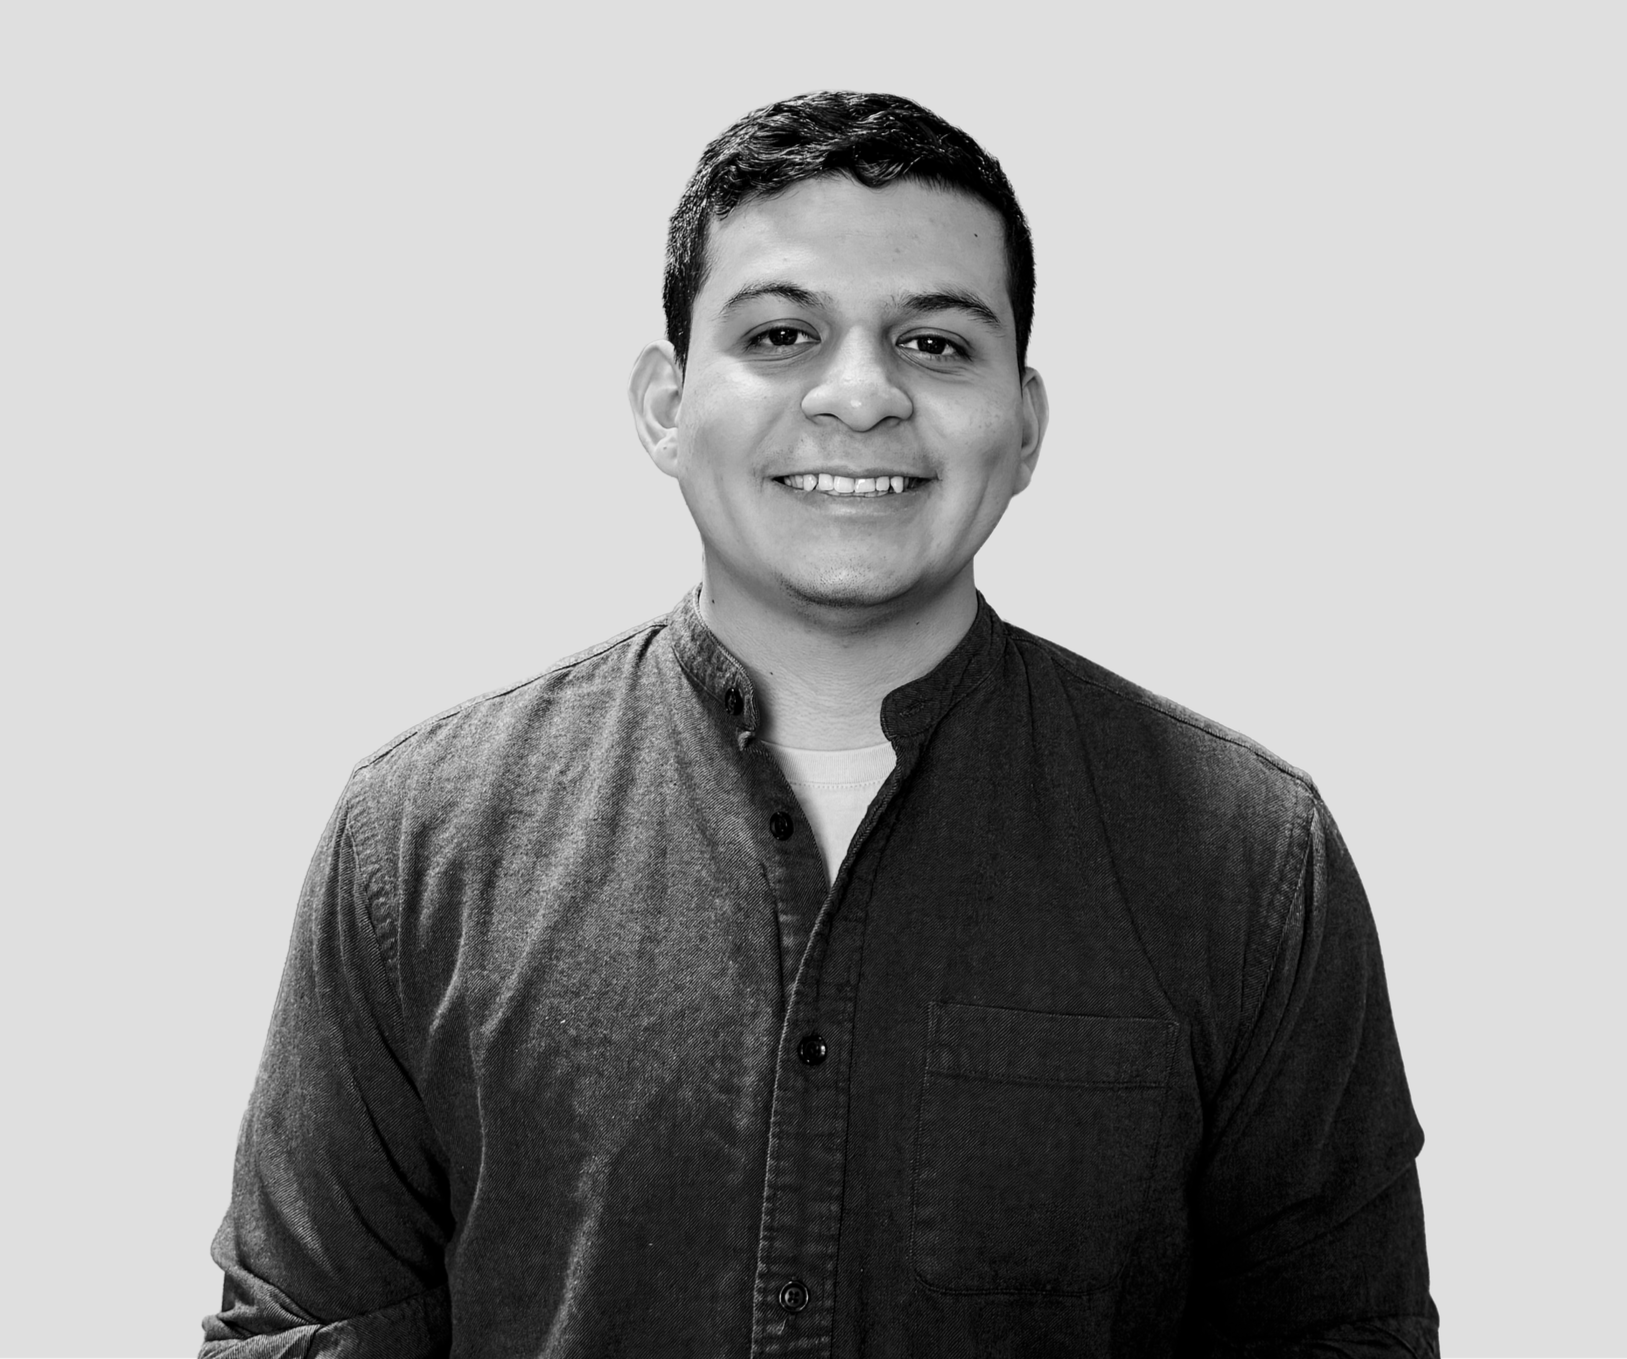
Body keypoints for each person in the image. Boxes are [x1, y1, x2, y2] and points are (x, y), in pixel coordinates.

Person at [203, 91, 1438, 1357]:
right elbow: (301, 1334)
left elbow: (1343, 1335)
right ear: (665, 406)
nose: (859, 396)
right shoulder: (419, 842)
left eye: (938, 345)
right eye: (784, 333)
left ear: (1025, 427)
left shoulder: (1246, 857)